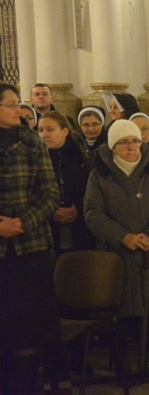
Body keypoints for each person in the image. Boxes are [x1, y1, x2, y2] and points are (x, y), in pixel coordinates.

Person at [84, 119, 149, 385]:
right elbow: (93, 212)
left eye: (134, 140)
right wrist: (122, 236)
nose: (131, 147)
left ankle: (147, 361)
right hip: (117, 254)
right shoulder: (99, 174)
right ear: (113, 148)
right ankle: (122, 362)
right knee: (121, 314)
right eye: (124, 143)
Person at [0, 83, 60, 394]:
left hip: (30, 250)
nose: (18, 110)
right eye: (10, 105)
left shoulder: (33, 143)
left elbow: (51, 193)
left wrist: (23, 222)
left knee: (27, 331)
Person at [38, 111, 94, 256]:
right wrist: (50, 212)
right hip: (45, 231)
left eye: (50, 129)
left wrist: (78, 209)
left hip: (80, 229)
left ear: (64, 131)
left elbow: (92, 192)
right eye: (40, 130)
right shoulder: (34, 161)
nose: (44, 134)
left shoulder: (82, 160)